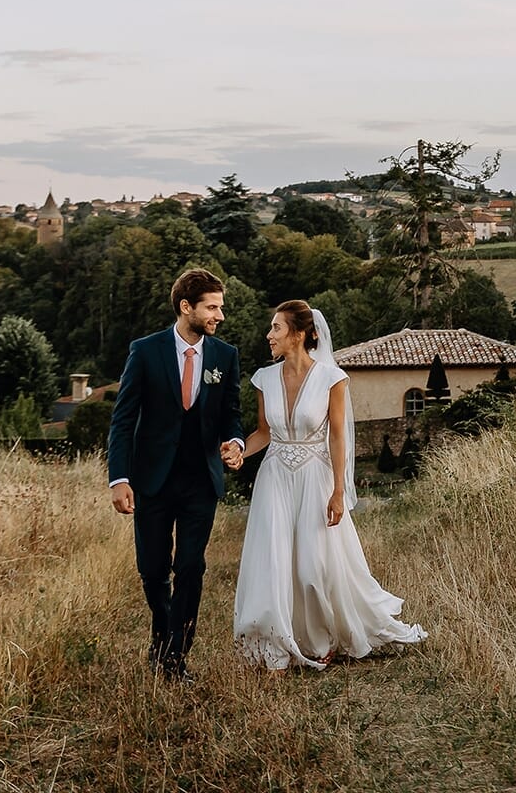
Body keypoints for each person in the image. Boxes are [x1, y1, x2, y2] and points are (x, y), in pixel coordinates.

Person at [230, 299, 427, 669]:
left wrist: (338, 489)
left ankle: (321, 637)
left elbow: (338, 437)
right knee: (271, 563)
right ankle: (275, 642)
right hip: (274, 477)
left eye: (276, 328)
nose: (268, 335)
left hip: (315, 477)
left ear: (300, 334)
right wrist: (241, 452)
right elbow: (263, 433)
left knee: (311, 568)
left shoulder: (331, 378)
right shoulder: (263, 378)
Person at [106, 268, 245, 682]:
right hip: (151, 479)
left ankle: (174, 658)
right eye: (212, 307)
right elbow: (123, 418)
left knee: (190, 567)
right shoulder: (145, 352)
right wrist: (119, 478)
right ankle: (164, 630)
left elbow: (231, 416)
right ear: (187, 307)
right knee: (152, 569)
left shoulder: (225, 356)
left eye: (220, 307)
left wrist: (235, 443)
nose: (219, 315)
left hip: (200, 480)